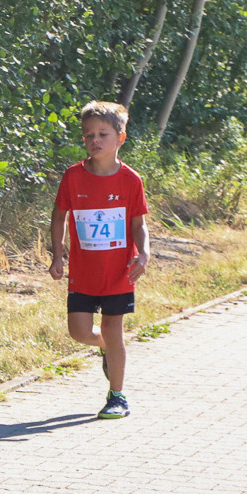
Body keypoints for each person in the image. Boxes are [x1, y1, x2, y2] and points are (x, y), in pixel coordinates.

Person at [49, 101, 150, 419]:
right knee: (79, 331)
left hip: (119, 270)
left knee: (113, 329)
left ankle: (117, 396)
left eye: (103, 134)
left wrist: (144, 253)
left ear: (120, 138)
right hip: (83, 270)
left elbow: (138, 223)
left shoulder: (130, 180)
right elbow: (59, 215)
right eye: (89, 134)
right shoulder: (73, 176)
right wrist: (57, 253)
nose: (95, 140)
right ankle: (105, 347)